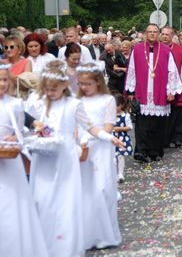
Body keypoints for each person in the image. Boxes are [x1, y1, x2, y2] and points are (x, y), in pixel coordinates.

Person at [27, 60, 124, 256]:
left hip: (66, 156)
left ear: (64, 85)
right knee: (43, 198)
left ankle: (66, 245)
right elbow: (36, 125)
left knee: (66, 200)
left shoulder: (73, 104)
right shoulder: (41, 105)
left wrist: (109, 136)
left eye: (54, 88)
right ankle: (45, 242)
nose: (50, 92)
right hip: (45, 157)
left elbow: (90, 127)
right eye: (47, 89)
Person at [0, 63, 48, 256]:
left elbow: (20, 131)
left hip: (9, 161)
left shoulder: (15, 104)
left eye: (4, 79)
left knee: (11, 204)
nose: (2, 83)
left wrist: (16, 138)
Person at [77, 61, 122, 249]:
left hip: (101, 147)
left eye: (88, 83)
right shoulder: (77, 101)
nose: (84, 87)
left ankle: (105, 234)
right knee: (86, 191)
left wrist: (96, 136)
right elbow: (76, 124)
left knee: (102, 188)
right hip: (82, 148)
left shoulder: (107, 100)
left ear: (97, 82)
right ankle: (88, 235)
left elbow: (108, 126)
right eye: (81, 83)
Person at [125, 24, 182, 162]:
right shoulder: (138, 49)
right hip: (142, 91)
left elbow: (172, 71)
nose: (152, 34)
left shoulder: (165, 50)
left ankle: (155, 151)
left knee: (158, 124)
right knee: (142, 124)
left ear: (158, 34)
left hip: (160, 92)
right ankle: (141, 151)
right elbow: (132, 70)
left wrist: (171, 91)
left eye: (155, 32)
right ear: (145, 33)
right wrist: (131, 91)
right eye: (149, 32)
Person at [113, 94, 133, 183]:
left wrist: (120, 128)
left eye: (117, 106)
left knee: (120, 156)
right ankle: (113, 173)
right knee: (112, 157)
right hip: (112, 139)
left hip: (121, 138)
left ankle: (120, 174)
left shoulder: (125, 116)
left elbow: (130, 127)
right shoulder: (109, 115)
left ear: (121, 105)